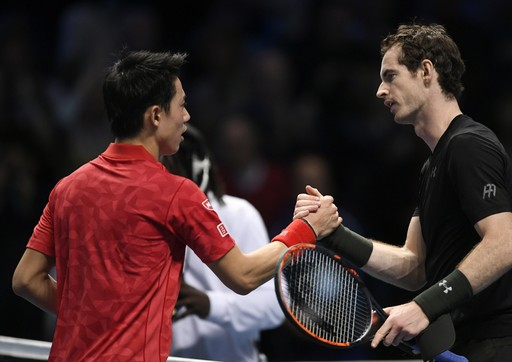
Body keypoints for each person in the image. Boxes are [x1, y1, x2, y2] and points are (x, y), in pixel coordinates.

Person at [11, 49, 341, 361]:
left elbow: (26, 280)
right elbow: (244, 276)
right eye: (181, 106)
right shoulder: (175, 193)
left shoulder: (67, 188)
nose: (187, 116)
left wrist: (91, 316)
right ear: (156, 115)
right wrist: (306, 229)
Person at [294, 23, 512, 362]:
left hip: (502, 344)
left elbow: (504, 246)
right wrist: (334, 234)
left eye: (390, 76)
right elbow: (413, 266)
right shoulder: (433, 164)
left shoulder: (468, 145)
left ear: (426, 71)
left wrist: (423, 307)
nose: (380, 91)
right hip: (464, 346)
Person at [162, 125, 284, 362]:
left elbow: (274, 305)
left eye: (165, 164)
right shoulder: (146, 219)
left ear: (197, 168)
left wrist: (210, 305)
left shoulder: (239, 214)